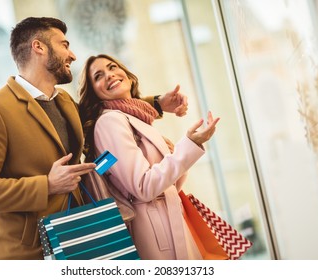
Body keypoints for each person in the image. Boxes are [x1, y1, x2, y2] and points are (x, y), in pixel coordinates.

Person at [0, 17, 189, 260]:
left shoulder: (64, 102)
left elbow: (100, 112)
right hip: (28, 255)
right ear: (39, 47)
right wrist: (46, 185)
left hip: (82, 239)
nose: (72, 55)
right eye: (64, 45)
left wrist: (157, 103)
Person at [78, 54, 220, 260]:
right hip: (153, 232)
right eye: (99, 76)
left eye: (112, 67)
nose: (109, 75)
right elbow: (143, 186)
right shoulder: (110, 122)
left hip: (168, 222)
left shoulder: (135, 117)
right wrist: (189, 146)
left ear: (127, 75)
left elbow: (170, 184)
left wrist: (174, 153)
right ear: (94, 93)